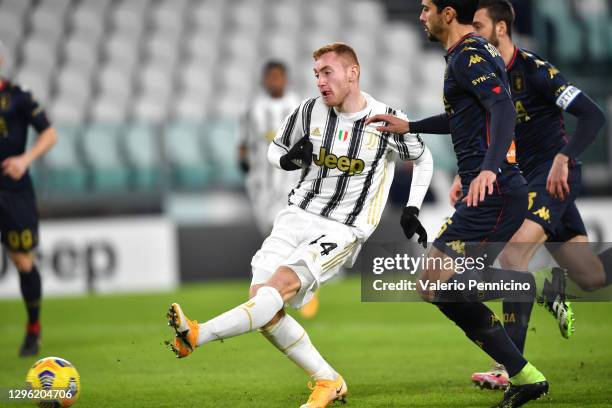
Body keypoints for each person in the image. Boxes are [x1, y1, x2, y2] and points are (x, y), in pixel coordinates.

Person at [165, 42, 434, 408]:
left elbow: (423, 157)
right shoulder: (309, 111)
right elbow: (274, 149)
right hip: (295, 216)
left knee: (275, 291)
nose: (320, 81)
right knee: (263, 307)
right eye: (316, 74)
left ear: (352, 73)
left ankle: (196, 334)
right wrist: (289, 160)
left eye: (327, 72)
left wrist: (413, 206)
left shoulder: (386, 118)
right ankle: (327, 380)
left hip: (342, 228)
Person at [366, 1, 571, 406]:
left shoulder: (468, 56)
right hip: (493, 190)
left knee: (433, 282)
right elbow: (465, 116)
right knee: (434, 285)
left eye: (426, 8)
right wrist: (412, 126)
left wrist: (489, 169)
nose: (420, 15)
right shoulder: (472, 54)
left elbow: (501, 108)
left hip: (492, 192)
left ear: (448, 13)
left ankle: (525, 294)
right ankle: (525, 371)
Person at [465, 0, 609, 390]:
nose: (471, 34)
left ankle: (509, 367)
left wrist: (564, 157)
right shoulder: (486, 77)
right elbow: (476, 128)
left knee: (513, 257)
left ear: (500, 28)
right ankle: (550, 285)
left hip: (553, 177)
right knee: (591, 276)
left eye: (477, 25)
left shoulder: (534, 70)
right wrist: (473, 172)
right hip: (526, 181)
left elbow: (593, 115)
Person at [237, 61, 322, 319]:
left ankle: (301, 289)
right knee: (270, 234)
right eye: (271, 77)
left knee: (287, 233)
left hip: (291, 183)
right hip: (262, 186)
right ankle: (282, 288)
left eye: (279, 77)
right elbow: (243, 143)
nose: (275, 81)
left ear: (286, 79)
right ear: (264, 80)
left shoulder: (298, 105)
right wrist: (244, 165)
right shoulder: (254, 110)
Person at [0, 45, 57, 356]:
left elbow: (49, 134)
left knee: (22, 260)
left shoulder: (19, 97)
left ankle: (33, 327)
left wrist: (25, 158)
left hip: (13, 189)